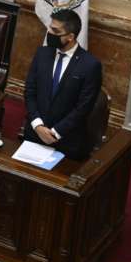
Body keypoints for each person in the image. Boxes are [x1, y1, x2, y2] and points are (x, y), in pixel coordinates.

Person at [22, 9, 103, 160]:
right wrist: (38, 125)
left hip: (66, 141)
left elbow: (83, 108)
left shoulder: (90, 65)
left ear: (70, 37)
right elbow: (30, 91)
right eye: (49, 27)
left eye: (55, 30)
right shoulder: (42, 53)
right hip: (34, 134)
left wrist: (55, 132)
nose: (49, 32)